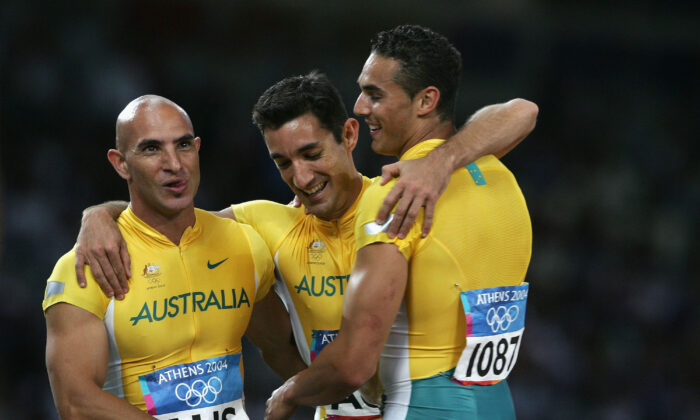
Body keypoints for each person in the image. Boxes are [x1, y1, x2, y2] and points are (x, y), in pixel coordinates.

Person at [76, 76, 537, 418]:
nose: (300, 178)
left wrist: (443, 160)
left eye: (312, 154)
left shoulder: (401, 201)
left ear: (350, 136)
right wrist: (100, 215)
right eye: (283, 162)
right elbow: (166, 220)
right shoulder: (268, 224)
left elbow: (521, 111)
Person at [264, 25, 533, 420]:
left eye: (374, 95)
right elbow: (523, 111)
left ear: (425, 101)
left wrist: (289, 394)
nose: (358, 106)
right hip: (496, 402)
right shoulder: (498, 176)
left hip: (422, 407)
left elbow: (353, 364)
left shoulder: (394, 194)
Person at [43, 95, 277, 419]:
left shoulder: (246, 243)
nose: (174, 164)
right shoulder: (86, 267)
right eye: (152, 149)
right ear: (120, 163)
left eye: (183, 145)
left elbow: (282, 346)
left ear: (197, 148)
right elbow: (76, 403)